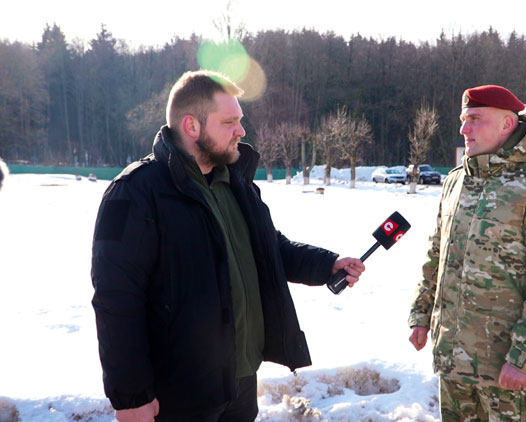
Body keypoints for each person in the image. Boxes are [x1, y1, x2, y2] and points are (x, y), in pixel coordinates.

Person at [91, 70, 365, 422]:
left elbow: (269, 247)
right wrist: (130, 397)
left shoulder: (234, 182)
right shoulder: (134, 193)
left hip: (240, 382)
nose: (241, 131)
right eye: (230, 121)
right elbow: (116, 300)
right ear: (192, 126)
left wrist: (327, 264)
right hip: (178, 394)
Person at [408, 85, 526, 422]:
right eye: (462, 119)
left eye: (474, 119)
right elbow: (437, 254)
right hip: (454, 359)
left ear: (506, 124)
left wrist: (524, 357)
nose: (463, 129)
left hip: (505, 368)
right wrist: (421, 313)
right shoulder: (456, 181)